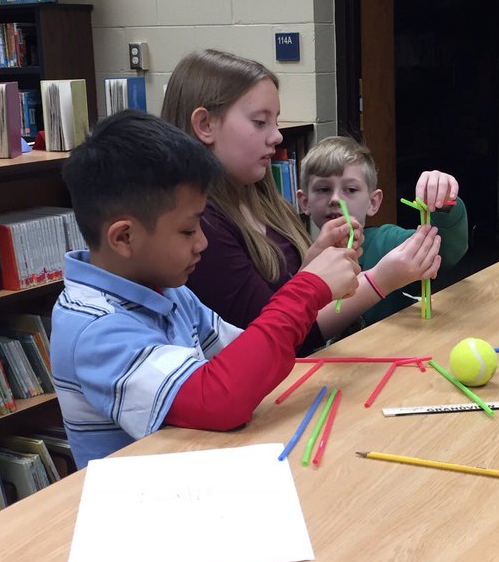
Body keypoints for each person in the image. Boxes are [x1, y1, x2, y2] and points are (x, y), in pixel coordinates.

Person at [51, 109, 360, 467]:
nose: (202, 243)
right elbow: (219, 399)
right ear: (124, 237)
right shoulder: (93, 327)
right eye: (188, 230)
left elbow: (248, 358)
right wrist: (308, 289)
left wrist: (308, 268)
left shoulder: (165, 291)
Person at [160, 49, 441, 350]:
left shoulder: (262, 201)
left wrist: (314, 261)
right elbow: (278, 336)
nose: (278, 136)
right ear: (205, 125)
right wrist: (380, 280)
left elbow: (286, 294)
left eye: (276, 122)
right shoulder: (202, 229)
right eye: (260, 122)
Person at [298, 136, 468, 328]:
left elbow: (443, 250)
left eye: (351, 189)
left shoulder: (387, 242)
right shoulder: (302, 259)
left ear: (373, 202)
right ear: (304, 202)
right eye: (323, 189)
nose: (336, 198)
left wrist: (444, 205)